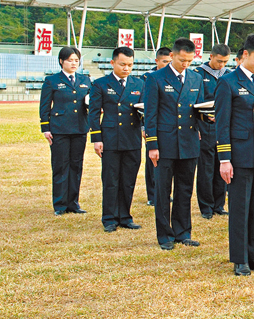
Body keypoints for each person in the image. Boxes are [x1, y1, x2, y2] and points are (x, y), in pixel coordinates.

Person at [215, 34, 254, 276]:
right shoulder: (228, 82)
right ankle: (239, 258)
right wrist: (224, 159)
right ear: (245, 55)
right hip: (239, 155)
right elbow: (222, 124)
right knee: (240, 208)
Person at [144, 37, 205, 250]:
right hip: (165, 142)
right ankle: (165, 235)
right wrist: (152, 145)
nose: (185, 64)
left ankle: (183, 231)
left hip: (189, 142)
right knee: (163, 191)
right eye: (181, 60)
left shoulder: (196, 79)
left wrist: (208, 117)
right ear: (172, 55)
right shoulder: (156, 78)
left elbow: (199, 109)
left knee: (185, 189)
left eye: (189, 60)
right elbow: (150, 114)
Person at [89, 46, 144, 232]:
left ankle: (125, 216)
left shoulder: (139, 84)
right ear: (112, 63)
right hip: (110, 138)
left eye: (130, 65)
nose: (126, 68)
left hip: (132, 138)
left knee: (128, 179)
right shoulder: (100, 84)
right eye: (122, 64)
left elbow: (145, 111)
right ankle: (109, 218)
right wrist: (96, 138)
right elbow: (94, 113)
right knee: (111, 180)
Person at [40, 46, 91, 216]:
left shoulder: (85, 79)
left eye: (76, 60)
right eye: (70, 60)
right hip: (59, 129)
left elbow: (91, 102)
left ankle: (73, 203)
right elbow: (45, 106)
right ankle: (60, 204)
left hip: (79, 128)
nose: (74, 63)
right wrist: (45, 128)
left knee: (76, 166)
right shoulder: (52, 81)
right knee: (61, 166)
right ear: (61, 61)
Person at [194, 44, 232, 219]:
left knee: (222, 165)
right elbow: (195, 101)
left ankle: (219, 204)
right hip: (206, 126)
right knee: (206, 168)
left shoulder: (229, 75)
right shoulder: (198, 74)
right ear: (211, 56)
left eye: (225, 62)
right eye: (219, 61)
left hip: (224, 128)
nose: (221, 65)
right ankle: (206, 207)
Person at [142, 47, 172, 206]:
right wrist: (144, 128)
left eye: (170, 61)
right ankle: (152, 194)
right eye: (164, 62)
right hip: (152, 126)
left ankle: (164, 192)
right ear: (157, 61)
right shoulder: (148, 77)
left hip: (168, 128)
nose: (168, 65)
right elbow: (145, 106)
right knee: (151, 162)